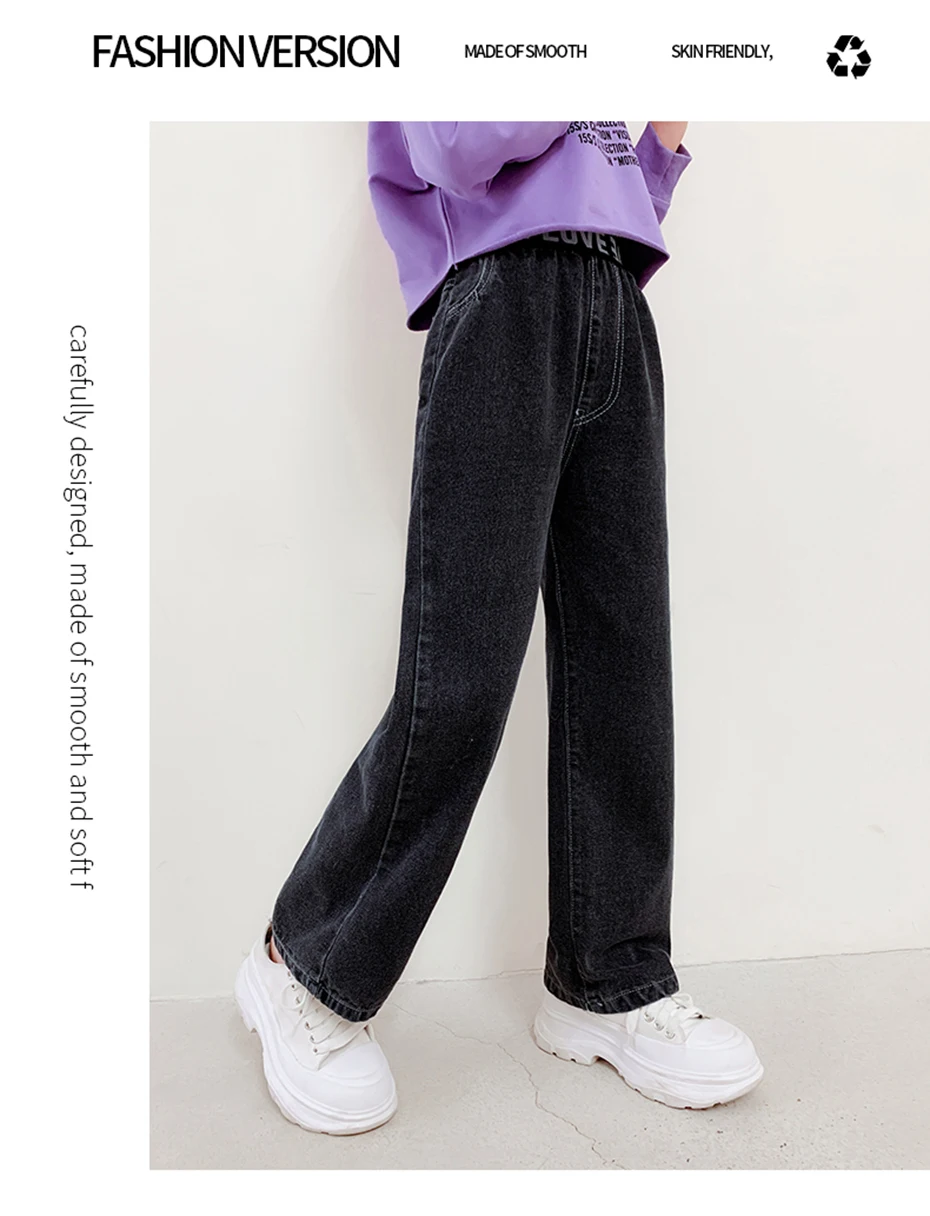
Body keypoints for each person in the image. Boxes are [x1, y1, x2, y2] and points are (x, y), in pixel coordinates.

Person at [235, 121, 764, 1135]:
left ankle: (608, 978)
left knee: (625, 669)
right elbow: (455, 145)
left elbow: (627, 188)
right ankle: (302, 962)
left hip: (615, 298)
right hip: (503, 295)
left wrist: (661, 131)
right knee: (461, 674)